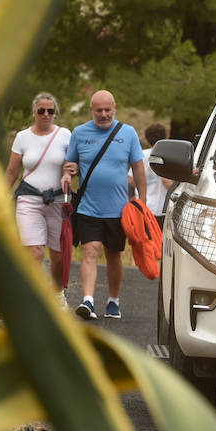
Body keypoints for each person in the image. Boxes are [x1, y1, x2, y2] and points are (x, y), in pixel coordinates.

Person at [61, 90, 147, 320]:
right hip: (88, 207)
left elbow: (139, 168)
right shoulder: (80, 133)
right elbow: (71, 164)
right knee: (90, 250)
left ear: (114, 108)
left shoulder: (128, 133)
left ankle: (113, 300)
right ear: (92, 110)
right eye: (99, 110)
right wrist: (69, 174)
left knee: (113, 255)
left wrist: (142, 203)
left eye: (107, 110)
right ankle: (88, 301)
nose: (103, 114)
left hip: (119, 210)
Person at [6, 92, 72, 304]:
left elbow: (71, 165)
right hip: (29, 199)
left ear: (55, 113)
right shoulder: (22, 137)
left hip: (57, 200)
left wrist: (67, 174)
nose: (46, 114)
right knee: (34, 252)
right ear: (34, 112)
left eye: (50, 111)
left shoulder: (65, 135)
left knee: (58, 255)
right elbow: (12, 172)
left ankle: (57, 294)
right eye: (41, 110)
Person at [131, 122, 173, 230]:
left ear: (146, 138)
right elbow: (166, 181)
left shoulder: (140, 155)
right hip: (163, 208)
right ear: (166, 136)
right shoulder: (169, 154)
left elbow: (131, 180)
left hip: (143, 206)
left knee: (146, 242)